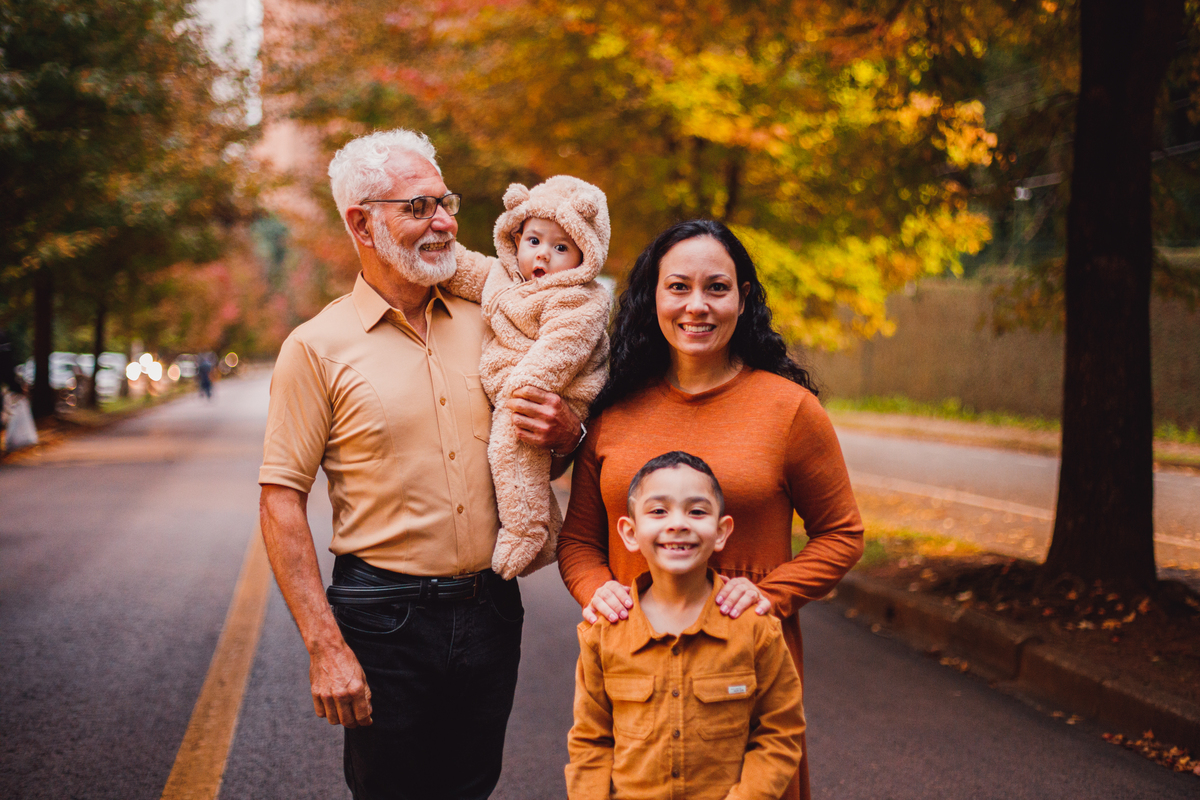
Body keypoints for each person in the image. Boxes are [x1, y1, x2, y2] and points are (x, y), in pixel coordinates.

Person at [258, 128, 583, 800]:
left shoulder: (495, 319)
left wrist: (570, 434)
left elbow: (541, 444)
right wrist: (325, 646)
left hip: (493, 606)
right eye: (417, 207)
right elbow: (280, 499)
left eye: (445, 202)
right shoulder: (316, 348)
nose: (443, 222)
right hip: (384, 616)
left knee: (471, 786)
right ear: (361, 223)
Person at [557, 219, 864, 800]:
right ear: (653, 296)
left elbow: (841, 534)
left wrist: (774, 592)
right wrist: (598, 589)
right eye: (678, 287)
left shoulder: (789, 410)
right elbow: (578, 542)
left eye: (717, 288)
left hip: (741, 668)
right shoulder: (614, 411)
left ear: (743, 299)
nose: (697, 305)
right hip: (636, 668)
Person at [566, 451, 805, 800]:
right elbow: (590, 740)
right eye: (659, 511)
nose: (678, 523)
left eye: (696, 511)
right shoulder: (603, 633)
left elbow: (779, 733)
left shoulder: (755, 629)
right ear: (629, 533)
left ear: (721, 531)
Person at [444, 175, 611, 579]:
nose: (542, 257)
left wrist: (518, 395)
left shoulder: (582, 300)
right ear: (515, 237)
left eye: (561, 247)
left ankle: (527, 528)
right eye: (534, 241)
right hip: (513, 380)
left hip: (554, 388)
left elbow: (560, 352)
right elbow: (458, 267)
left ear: (585, 255)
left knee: (511, 446)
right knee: (502, 445)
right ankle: (548, 528)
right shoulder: (502, 278)